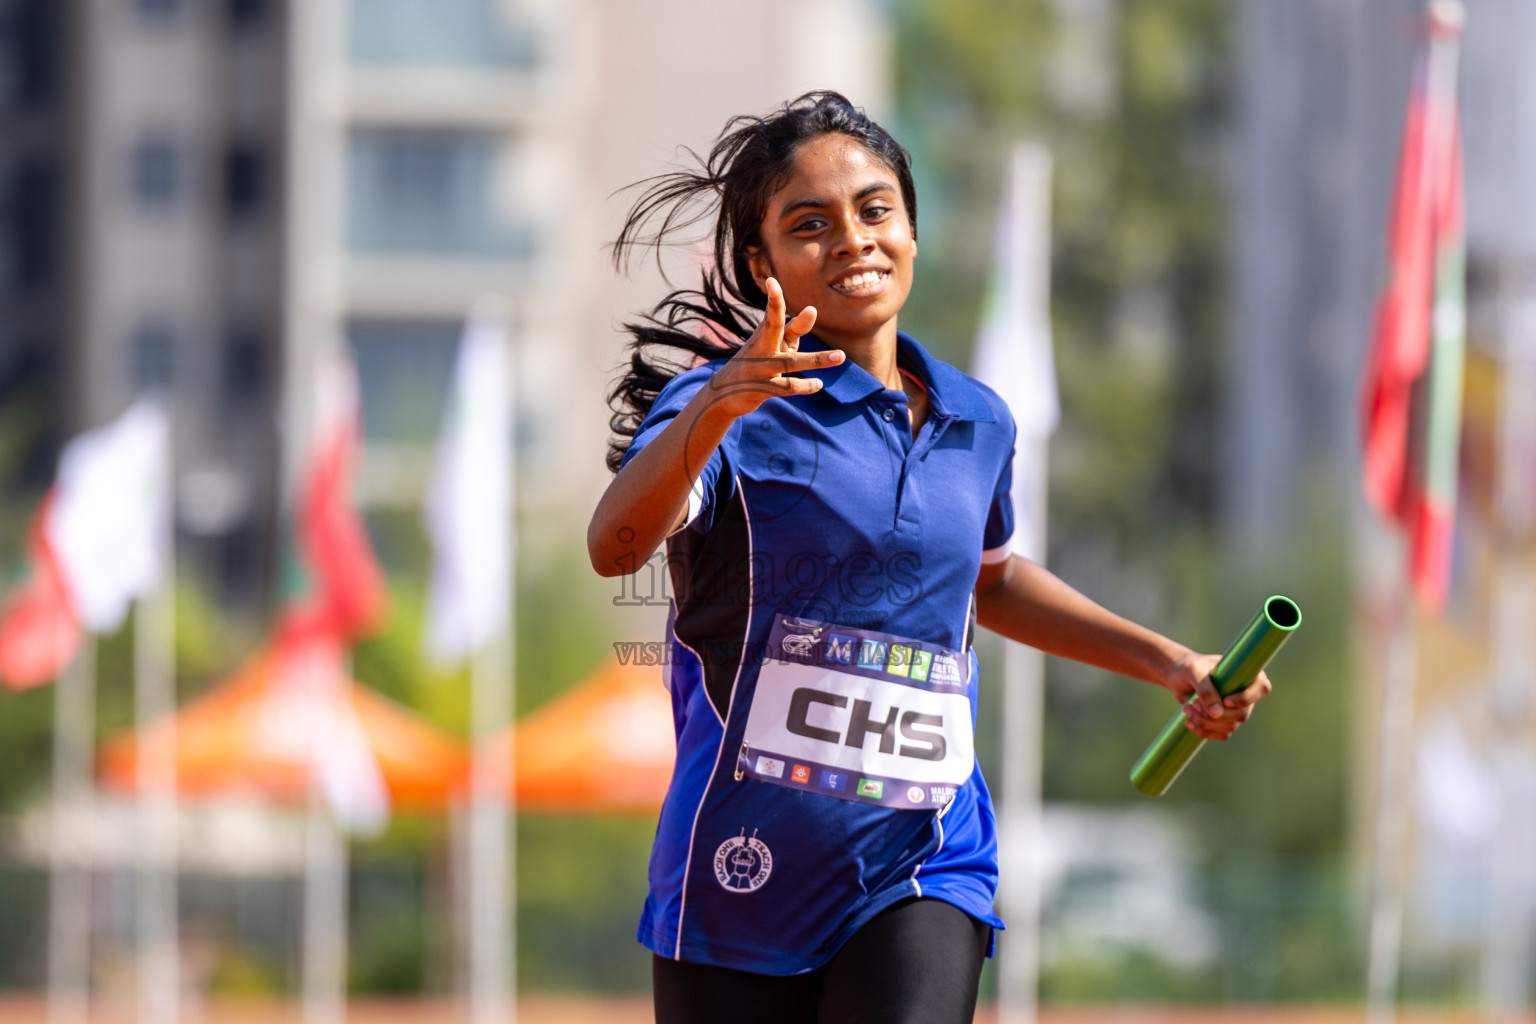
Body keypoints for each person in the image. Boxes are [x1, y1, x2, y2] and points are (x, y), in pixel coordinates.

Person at [588, 92, 1271, 1024]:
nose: (853, 240)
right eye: (810, 225)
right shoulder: (724, 407)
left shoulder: (977, 418)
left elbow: (989, 579)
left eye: (875, 211)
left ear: (912, 228)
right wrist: (710, 418)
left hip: (925, 852)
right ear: (762, 263)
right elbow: (612, 545)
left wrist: (1166, 660)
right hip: (741, 861)